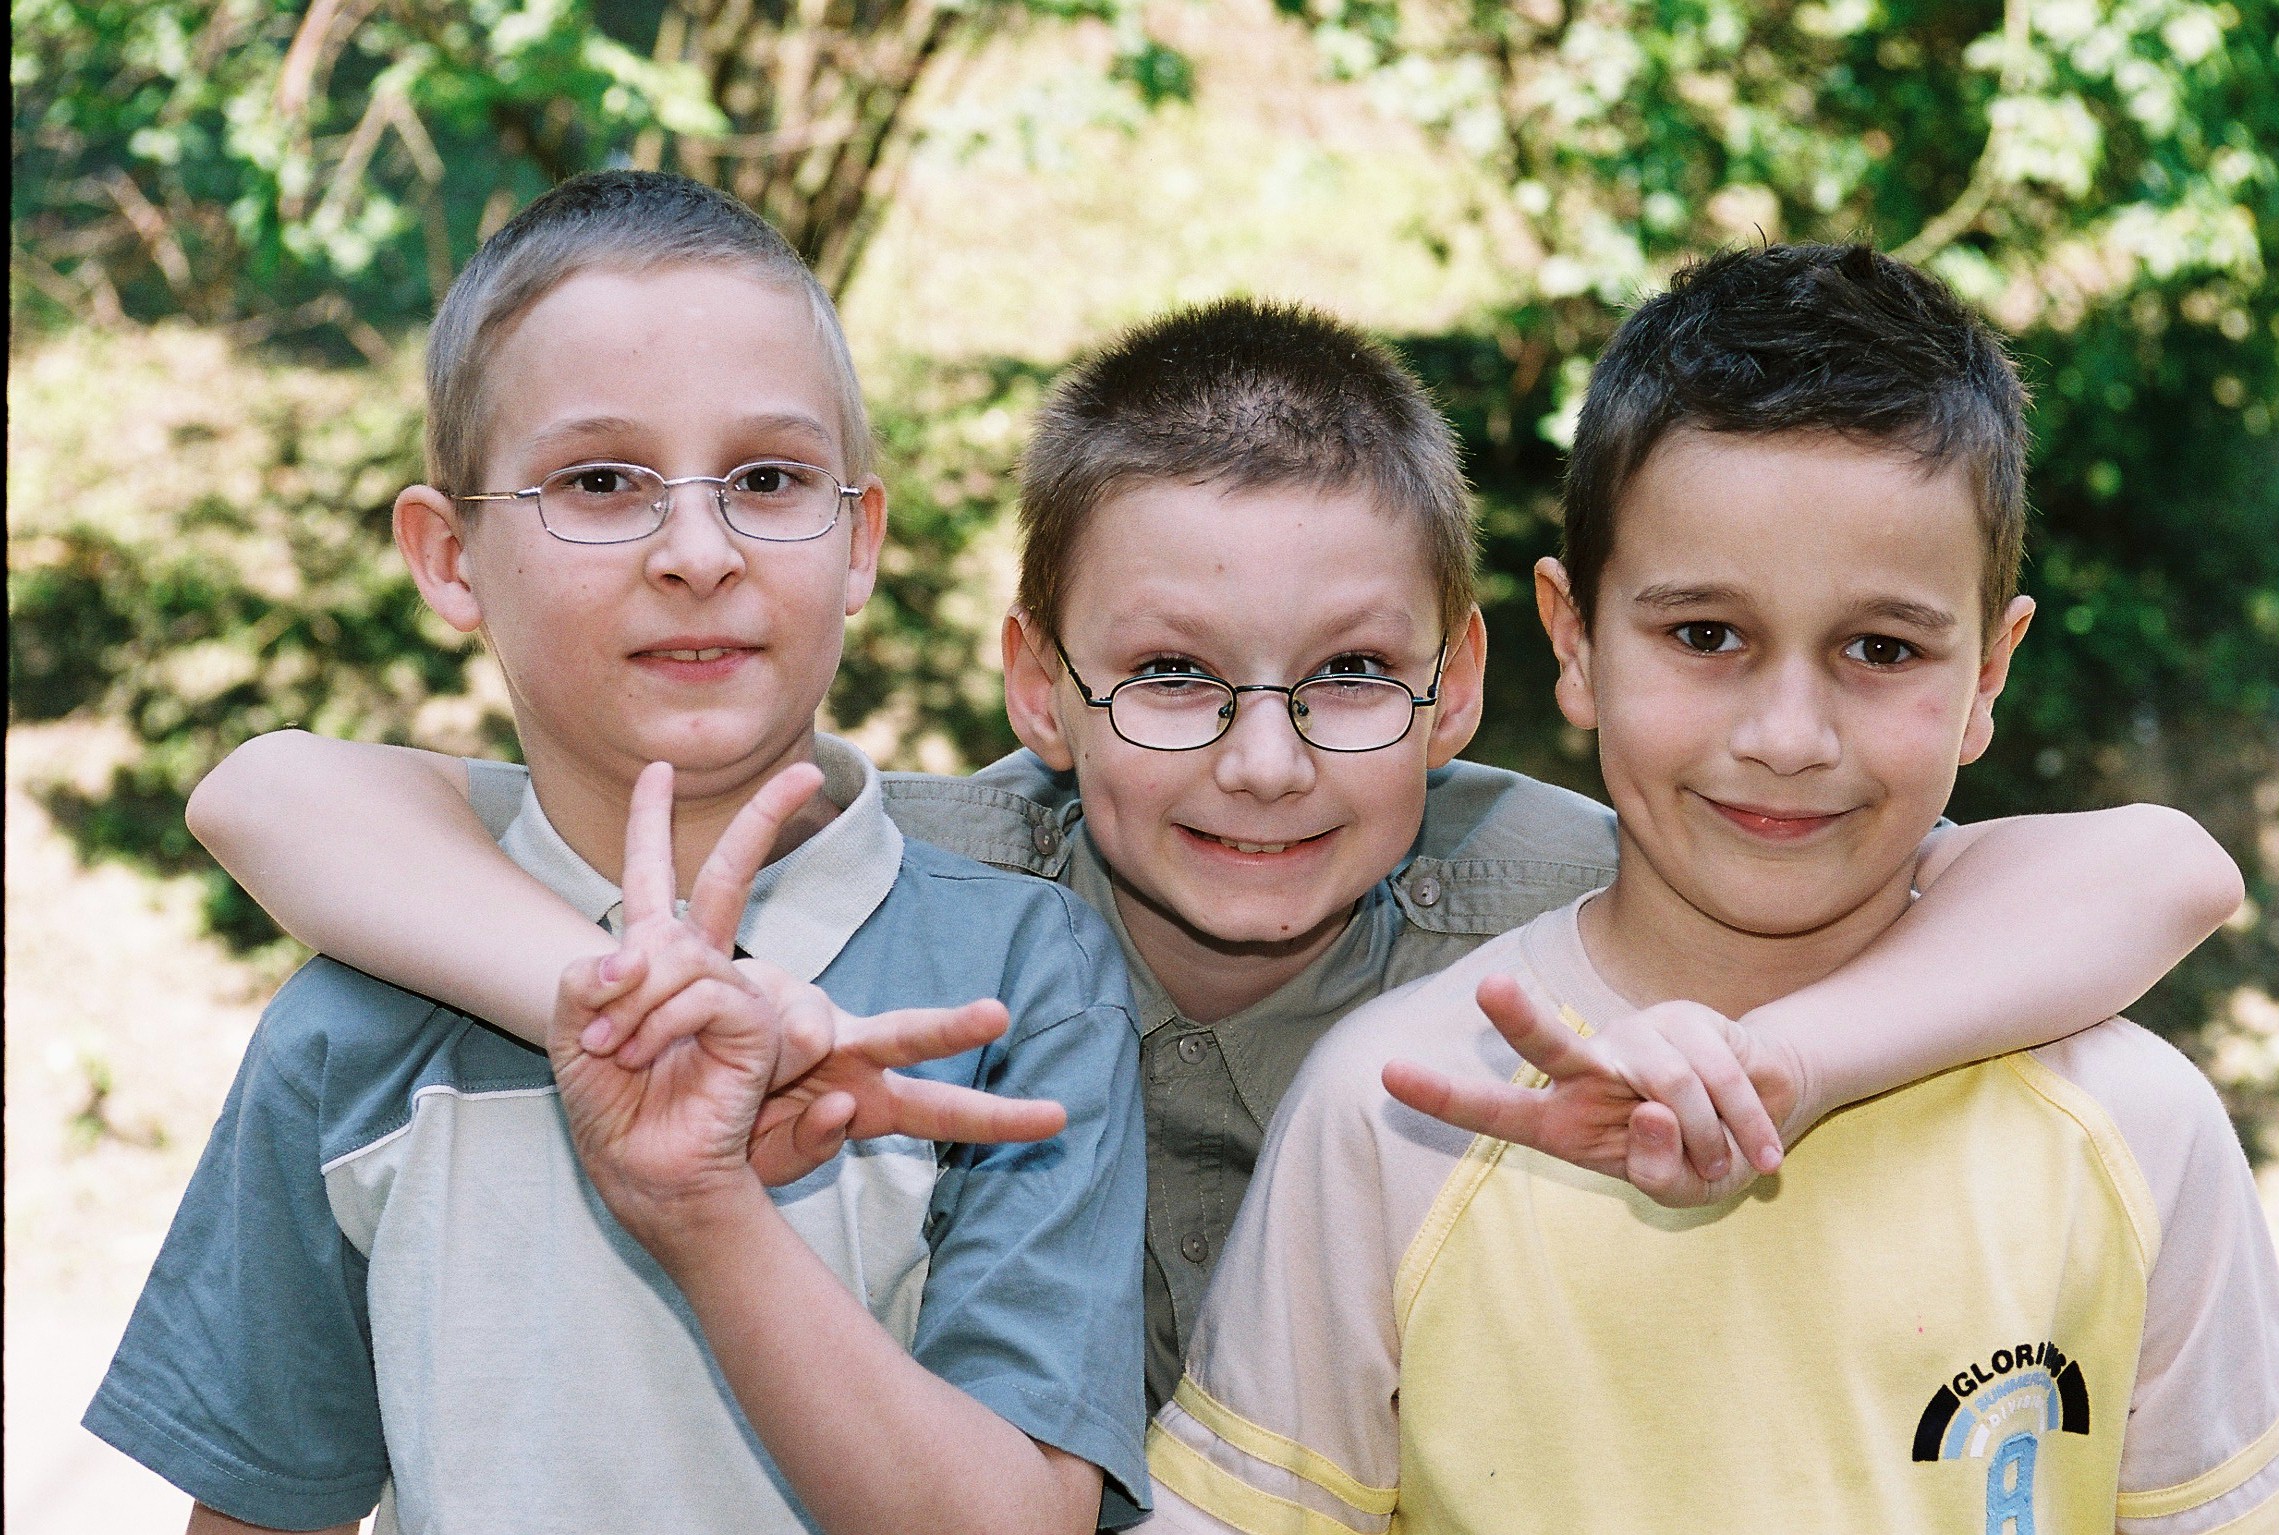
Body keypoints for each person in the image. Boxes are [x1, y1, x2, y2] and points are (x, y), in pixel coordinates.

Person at [184, 297, 2244, 1413]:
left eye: (1348, 677)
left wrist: (1789, 1061)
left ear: (1458, 683)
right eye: (1170, 675)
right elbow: (275, 791)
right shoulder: (919, 887)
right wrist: (602, 995)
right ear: (1038, 686)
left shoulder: (1558, 895)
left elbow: (2153, 870)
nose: (1265, 766)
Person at [1144, 243, 2279, 1534]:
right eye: (1705, 635)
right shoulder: (1404, 1109)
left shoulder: (2136, 1130)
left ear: (1988, 675)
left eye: (1880, 649)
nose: (1788, 736)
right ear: (1574, 640)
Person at [83, 170, 1149, 1535]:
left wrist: (704, 1214)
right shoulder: (355, 1030)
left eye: (768, 479)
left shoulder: (1014, 983)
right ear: (449, 559)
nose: (697, 552)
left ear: (859, 540)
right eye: (599, 482)